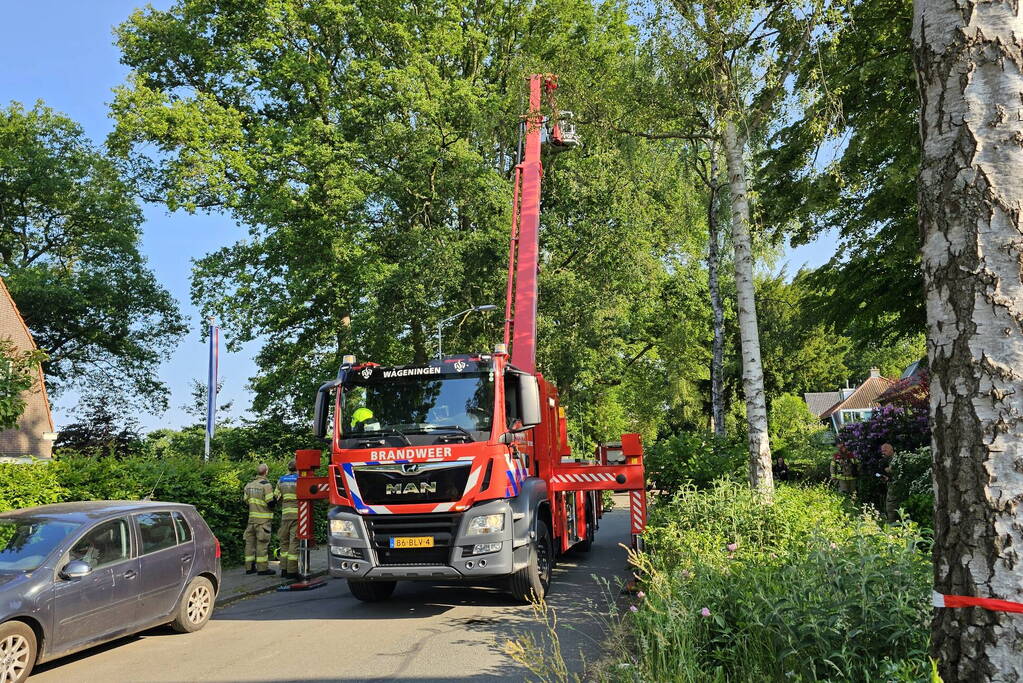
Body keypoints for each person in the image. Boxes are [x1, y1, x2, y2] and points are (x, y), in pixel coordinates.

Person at [243, 463, 276, 575]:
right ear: (266, 472)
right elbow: (270, 503)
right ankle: (262, 569)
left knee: (249, 544)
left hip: (251, 519)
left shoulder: (249, 485)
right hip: (263, 521)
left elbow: (246, 501)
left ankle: (249, 567)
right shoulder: (266, 485)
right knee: (262, 544)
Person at [275, 460, 300, 579]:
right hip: (296, 514)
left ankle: (283, 570)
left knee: (284, 543)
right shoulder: (300, 479)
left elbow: (276, 497)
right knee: (294, 543)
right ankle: (292, 571)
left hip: (285, 515)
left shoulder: (281, 480)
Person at [880, 442, 898, 522]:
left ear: (891, 450)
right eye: (882, 451)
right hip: (891, 486)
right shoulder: (887, 460)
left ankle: (892, 526)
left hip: (896, 489)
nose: (883, 453)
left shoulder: (896, 459)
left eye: (885, 451)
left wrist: (888, 471)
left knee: (891, 507)